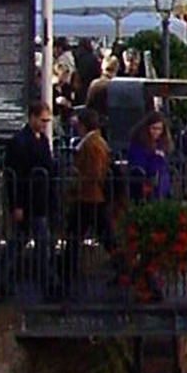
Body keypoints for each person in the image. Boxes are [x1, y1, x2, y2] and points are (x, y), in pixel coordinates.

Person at [5, 102, 58, 293]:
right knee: (33, 240)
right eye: (42, 120)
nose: (45, 124)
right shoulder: (19, 142)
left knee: (26, 240)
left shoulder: (42, 140)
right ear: (32, 117)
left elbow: (48, 167)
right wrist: (16, 204)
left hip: (40, 199)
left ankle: (2, 275)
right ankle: (46, 282)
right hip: (27, 198)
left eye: (47, 121)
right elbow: (14, 176)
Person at [64, 106, 111, 289]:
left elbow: (95, 171)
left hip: (89, 196)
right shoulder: (92, 142)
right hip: (89, 196)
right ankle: (66, 271)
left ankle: (67, 273)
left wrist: (77, 180)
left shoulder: (92, 144)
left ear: (83, 125)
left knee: (79, 235)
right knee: (84, 235)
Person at [126, 110, 172, 201]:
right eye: (153, 128)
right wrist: (157, 158)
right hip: (144, 187)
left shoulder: (161, 143)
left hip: (160, 187)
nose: (156, 132)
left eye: (159, 129)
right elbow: (140, 166)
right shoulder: (139, 143)